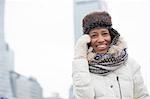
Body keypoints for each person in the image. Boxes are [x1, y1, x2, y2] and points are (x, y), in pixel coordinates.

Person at [72, 11, 150, 99]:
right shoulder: (82, 68)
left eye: (104, 33)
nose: (101, 39)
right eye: (94, 35)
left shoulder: (130, 64)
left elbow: (142, 96)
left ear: (112, 36)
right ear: (87, 40)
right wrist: (80, 57)